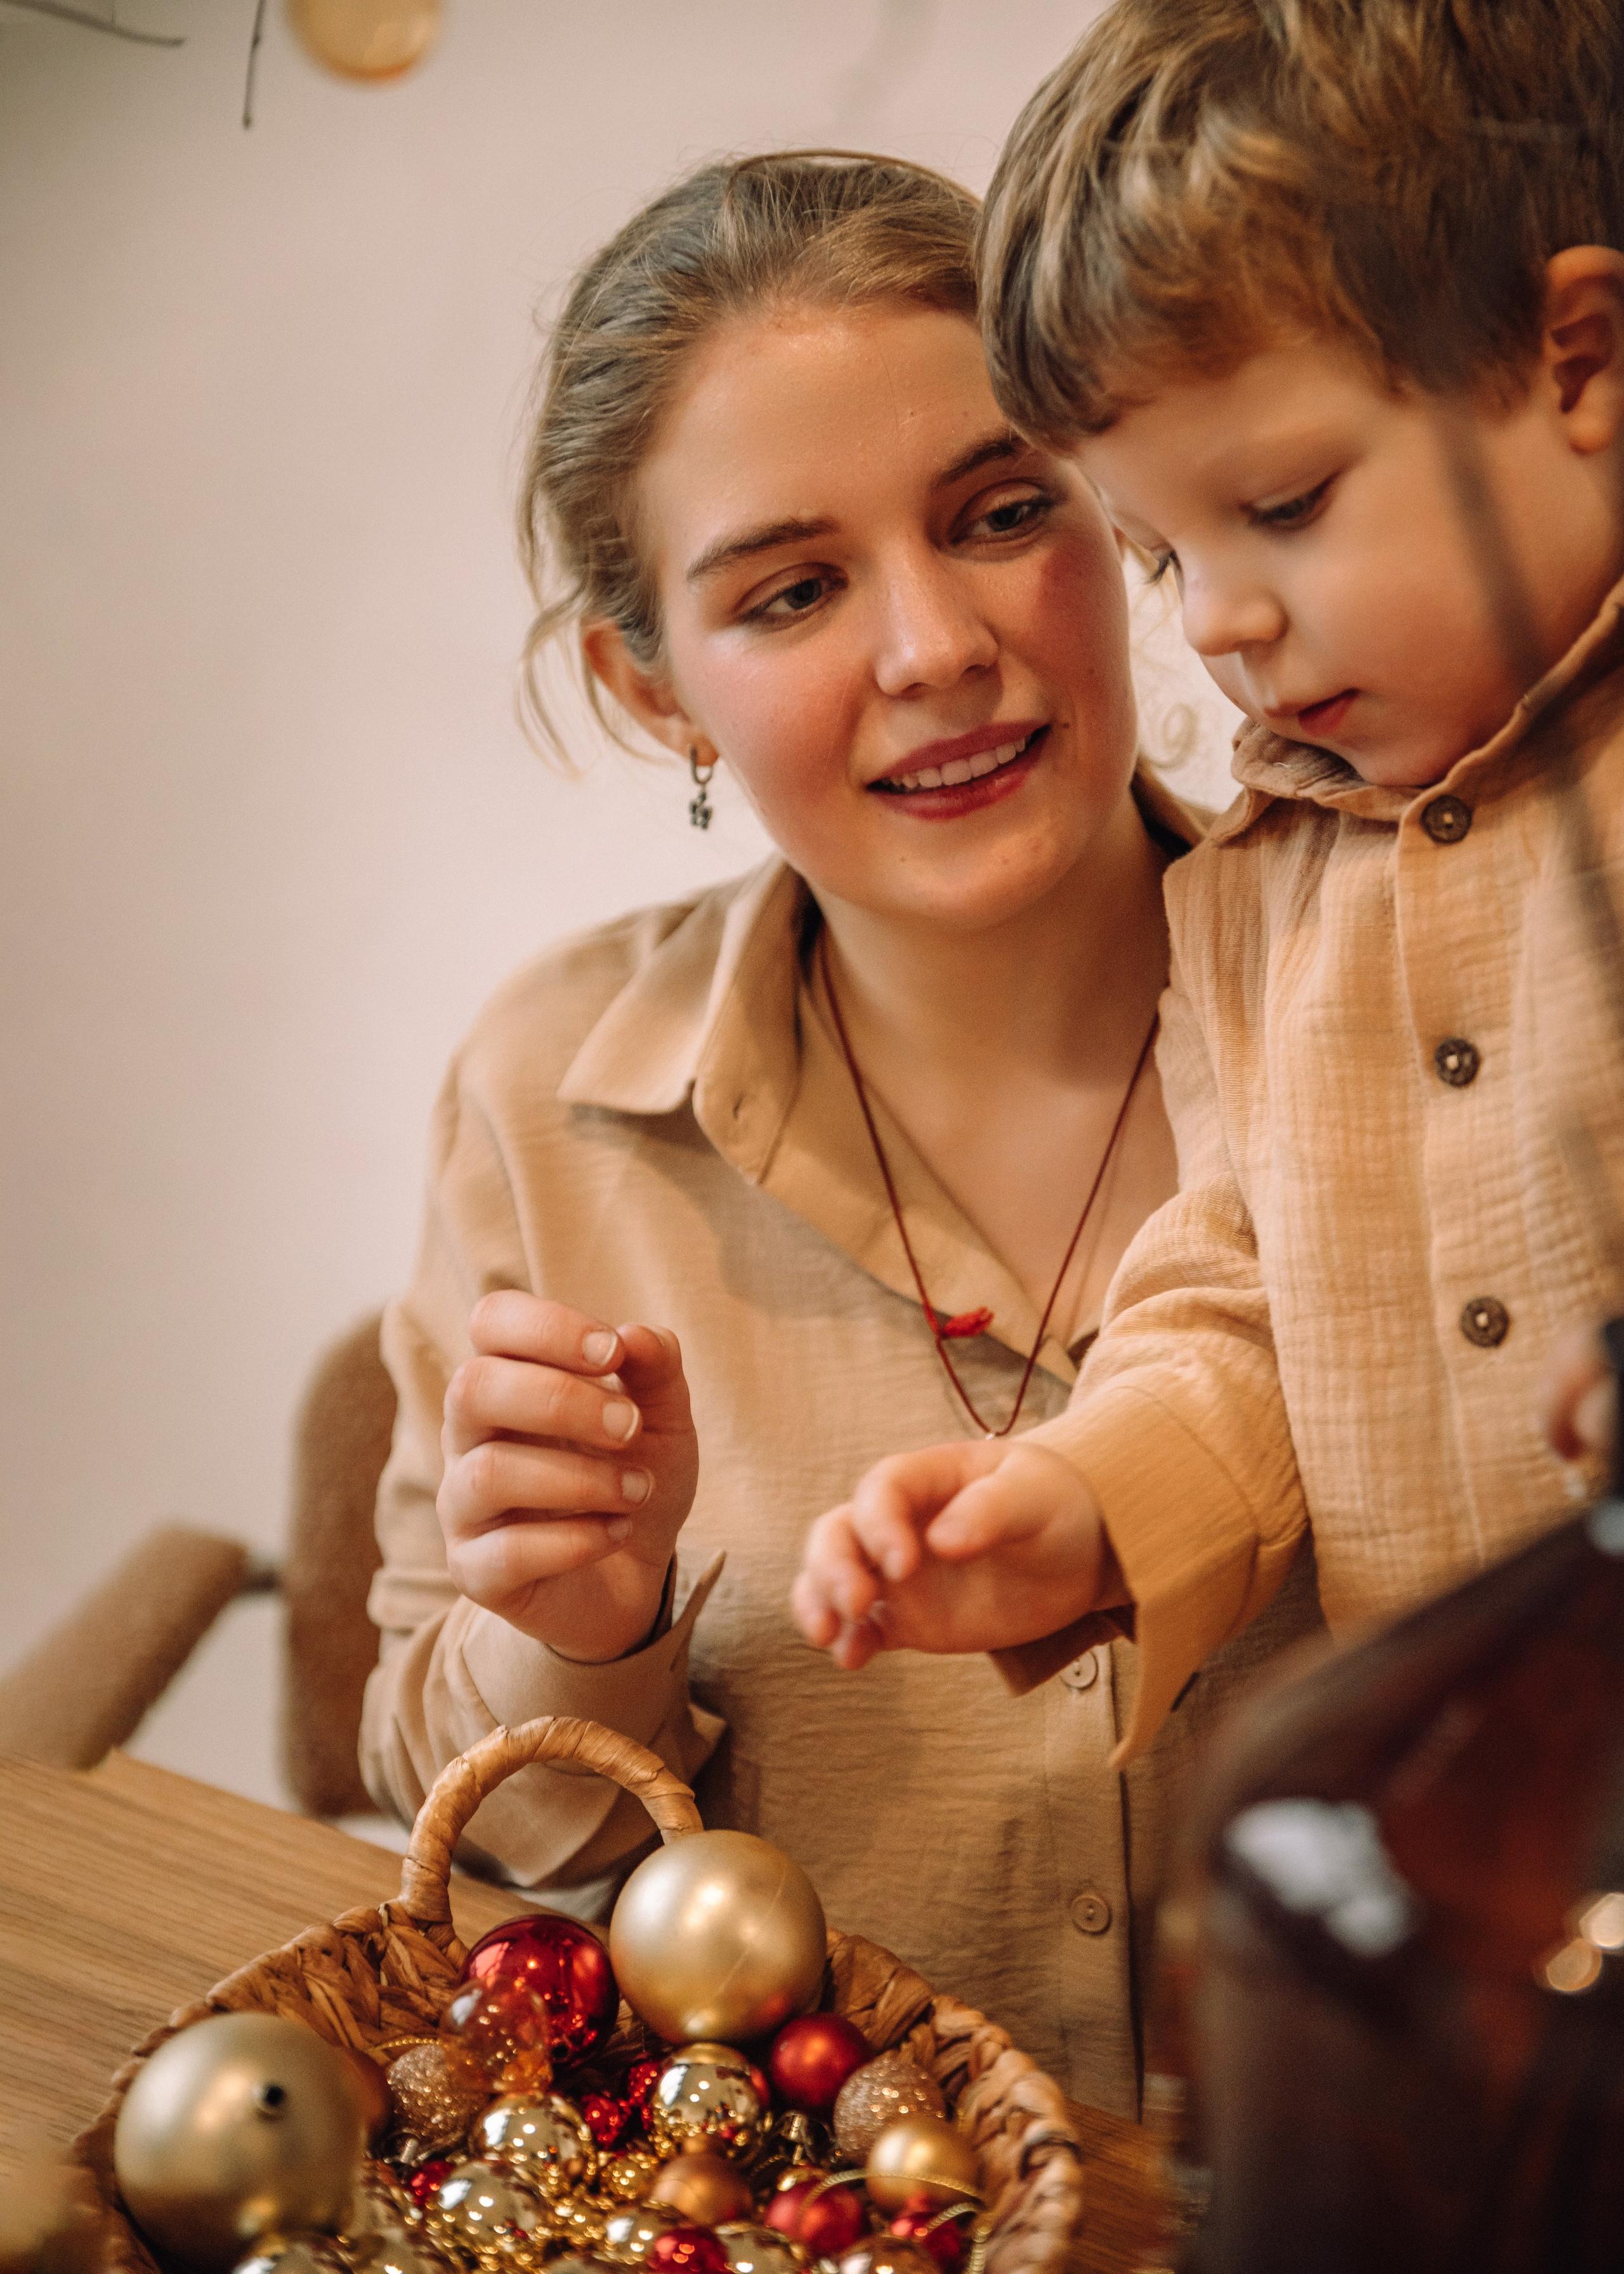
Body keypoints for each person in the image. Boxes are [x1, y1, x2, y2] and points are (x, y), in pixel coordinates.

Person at [358, 150, 1320, 2119]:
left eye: (999, 515)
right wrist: (575, 1640)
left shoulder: (1408, 1020)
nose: (934, 647)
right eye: (794, 590)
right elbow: (481, 1875)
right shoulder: (549, 1097)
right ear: (655, 691)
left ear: (1120, 504)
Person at [793, 0, 1624, 1754]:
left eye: (1289, 503)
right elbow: (1249, 1298)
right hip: (1483, 1850)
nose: (1216, 622)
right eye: (1159, 548)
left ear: (1580, 362)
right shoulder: (1258, 895)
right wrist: (1092, 1500)